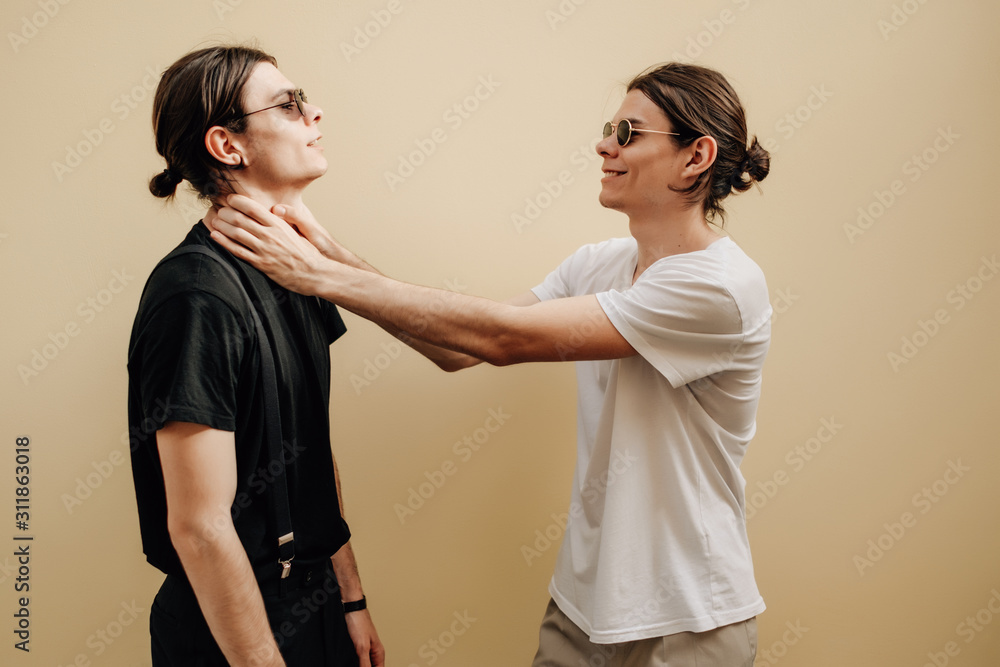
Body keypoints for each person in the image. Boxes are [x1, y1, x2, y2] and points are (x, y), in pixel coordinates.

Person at [209, 62, 770, 666]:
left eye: (629, 133)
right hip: (583, 608)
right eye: (610, 128)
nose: (604, 145)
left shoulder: (719, 288)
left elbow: (505, 338)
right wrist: (325, 249)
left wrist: (318, 274)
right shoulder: (599, 264)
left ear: (696, 157)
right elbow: (459, 347)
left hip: (687, 619)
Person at [127, 45, 384, 666]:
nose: (314, 112)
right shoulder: (195, 294)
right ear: (227, 145)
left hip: (316, 596)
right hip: (235, 625)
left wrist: (349, 598)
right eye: (290, 103)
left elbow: (311, 451)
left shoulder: (295, 269)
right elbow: (199, 526)